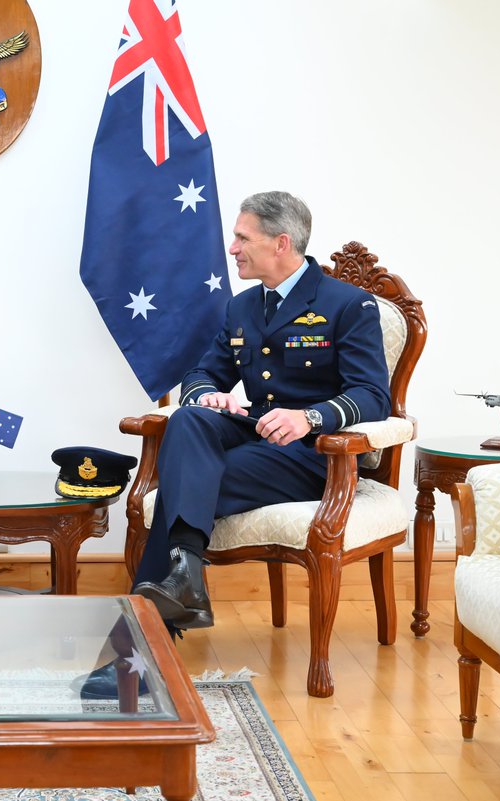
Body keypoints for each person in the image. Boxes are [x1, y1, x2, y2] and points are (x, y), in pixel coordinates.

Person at [132, 191, 390, 629]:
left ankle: (137, 644)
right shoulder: (242, 307)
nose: (232, 249)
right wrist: (209, 396)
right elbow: (200, 374)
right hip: (253, 441)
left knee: (183, 475)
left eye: (241, 238)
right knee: (190, 418)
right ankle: (185, 580)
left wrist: (307, 417)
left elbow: (372, 394)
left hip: (311, 456)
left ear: (281, 243)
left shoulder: (347, 305)